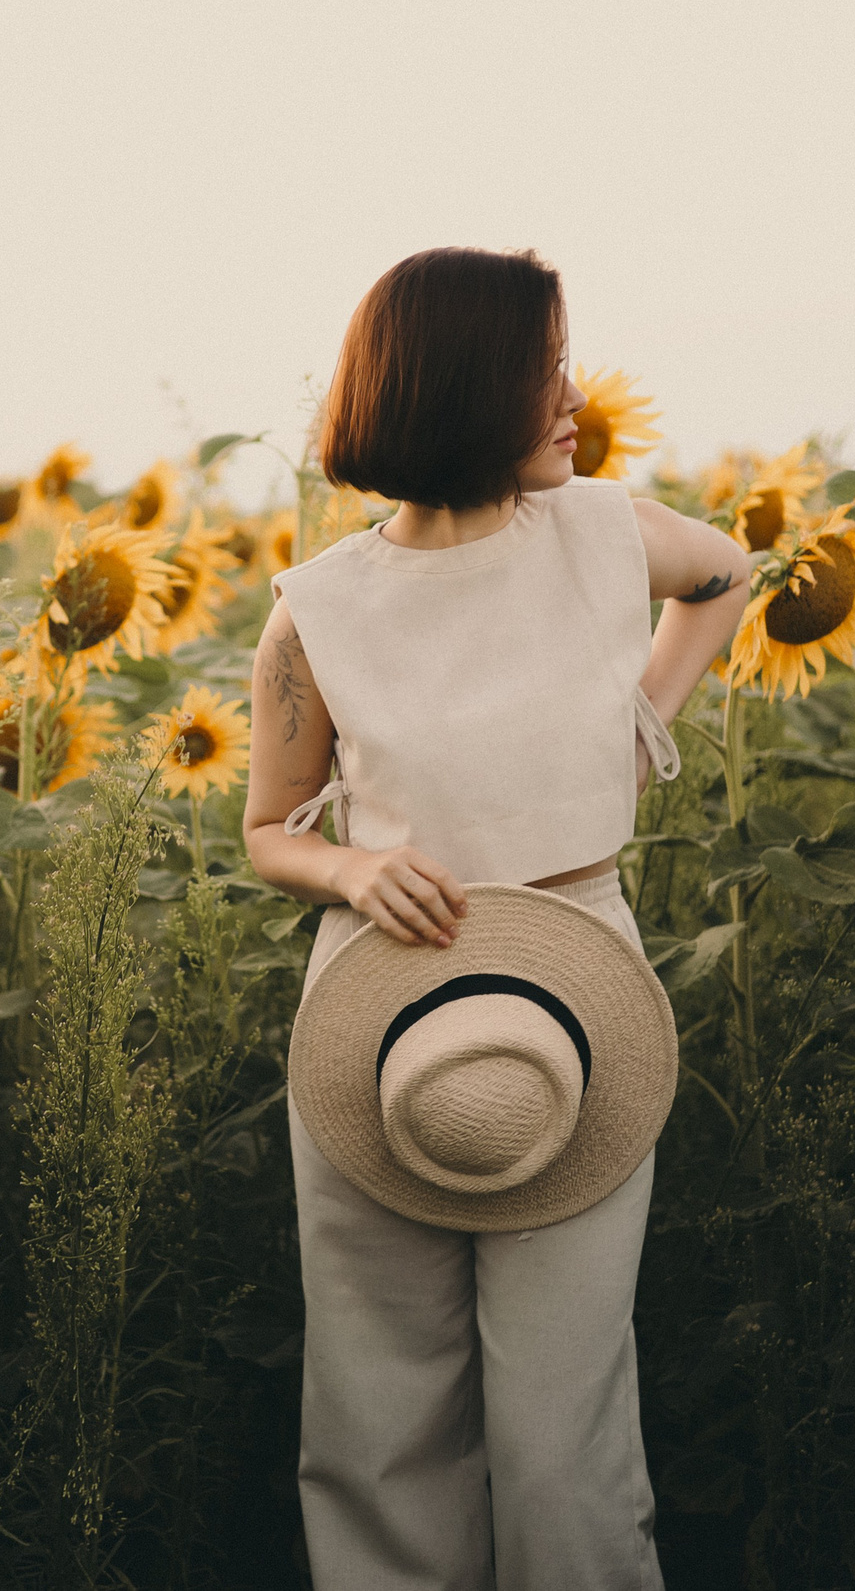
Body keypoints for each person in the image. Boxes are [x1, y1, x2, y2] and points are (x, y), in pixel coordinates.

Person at [242, 246, 750, 1590]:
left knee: (562, 1424)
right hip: (378, 1005)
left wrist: (643, 717)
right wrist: (350, 871)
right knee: (375, 1404)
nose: (576, 395)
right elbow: (266, 830)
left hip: (578, 986)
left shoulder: (601, 530)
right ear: (471, 389)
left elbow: (729, 577)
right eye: (547, 368)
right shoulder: (318, 616)